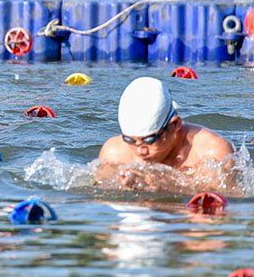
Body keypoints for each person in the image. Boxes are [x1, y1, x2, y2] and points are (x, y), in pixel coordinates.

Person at [96, 76, 236, 193]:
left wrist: (165, 185)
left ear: (175, 124)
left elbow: (229, 199)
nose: (140, 151)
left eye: (150, 140)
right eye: (130, 140)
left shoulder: (213, 151)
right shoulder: (114, 152)